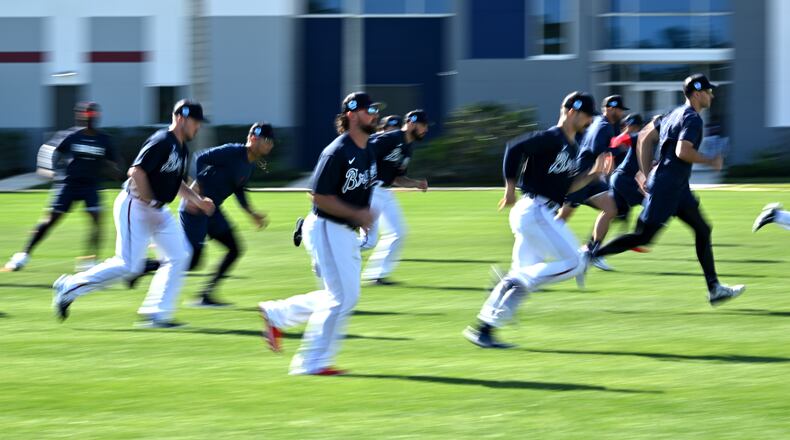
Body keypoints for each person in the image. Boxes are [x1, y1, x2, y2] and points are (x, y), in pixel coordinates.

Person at [463, 91, 612, 349]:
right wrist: (509, 187)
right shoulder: (552, 137)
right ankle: (512, 281)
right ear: (572, 111)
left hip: (538, 211)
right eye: (587, 116)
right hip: (534, 209)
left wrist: (594, 174)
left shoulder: (572, 146)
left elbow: (565, 188)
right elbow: (514, 148)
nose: (589, 122)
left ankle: (484, 329)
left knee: (522, 278)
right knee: (576, 262)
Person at [51, 100, 215, 327]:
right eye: (196, 122)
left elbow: (175, 182)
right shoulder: (161, 141)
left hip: (158, 210)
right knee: (128, 265)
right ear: (181, 118)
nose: (198, 127)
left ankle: (157, 314)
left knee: (180, 255)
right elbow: (136, 171)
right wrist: (148, 201)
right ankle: (69, 286)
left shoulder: (182, 148)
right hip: (135, 205)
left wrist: (197, 200)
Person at [590, 74, 745, 306]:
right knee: (643, 237)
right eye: (708, 91)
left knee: (703, 229)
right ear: (696, 93)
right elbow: (683, 151)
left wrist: (643, 172)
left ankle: (714, 289)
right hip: (667, 187)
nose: (712, 95)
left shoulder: (672, 113)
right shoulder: (692, 119)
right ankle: (591, 255)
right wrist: (710, 161)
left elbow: (643, 136)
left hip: (677, 187)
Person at [258, 92, 380, 375]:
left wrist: (361, 215)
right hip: (327, 226)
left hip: (344, 230)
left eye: (375, 109)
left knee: (341, 296)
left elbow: (361, 189)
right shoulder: (337, 151)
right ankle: (311, 362)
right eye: (368, 109)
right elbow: (317, 196)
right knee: (342, 297)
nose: (374, 114)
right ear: (351, 114)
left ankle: (277, 314)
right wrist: (356, 214)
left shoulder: (368, 150)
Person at [133, 123, 274, 306]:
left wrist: (251, 213)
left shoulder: (250, 165)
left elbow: (238, 188)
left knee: (234, 248)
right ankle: (145, 266)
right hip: (195, 209)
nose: (270, 145)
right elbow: (200, 158)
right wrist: (197, 188)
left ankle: (206, 295)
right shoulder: (233, 151)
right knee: (190, 260)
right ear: (254, 138)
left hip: (212, 211)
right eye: (267, 140)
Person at [4, 102, 120, 272]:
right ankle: (22, 255)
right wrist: (46, 169)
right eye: (86, 116)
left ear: (97, 117)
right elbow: (49, 150)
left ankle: (89, 261)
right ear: (80, 117)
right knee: (50, 220)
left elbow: (115, 163)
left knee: (97, 221)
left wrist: (115, 170)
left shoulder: (104, 139)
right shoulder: (70, 135)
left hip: (90, 185)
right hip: (69, 183)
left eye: (93, 116)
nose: (89, 120)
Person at [555, 95, 628, 272]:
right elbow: (598, 152)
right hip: (583, 176)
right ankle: (536, 242)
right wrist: (608, 169)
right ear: (610, 108)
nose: (621, 113)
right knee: (562, 218)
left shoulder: (607, 125)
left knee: (611, 209)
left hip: (593, 178)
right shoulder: (603, 127)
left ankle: (592, 251)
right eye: (619, 109)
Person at [360, 109, 429, 285]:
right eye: (423, 125)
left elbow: (397, 178)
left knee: (398, 233)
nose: (425, 129)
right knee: (368, 242)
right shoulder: (390, 138)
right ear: (412, 123)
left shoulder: (408, 147)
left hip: (385, 191)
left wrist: (415, 183)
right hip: (370, 190)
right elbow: (362, 152)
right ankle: (327, 246)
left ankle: (376, 275)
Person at [608, 113, 646, 222]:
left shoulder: (641, 139)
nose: (631, 128)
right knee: (650, 203)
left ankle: (596, 238)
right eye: (629, 126)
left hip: (620, 179)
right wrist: (627, 133)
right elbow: (616, 142)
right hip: (623, 179)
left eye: (634, 126)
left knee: (618, 215)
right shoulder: (636, 137)